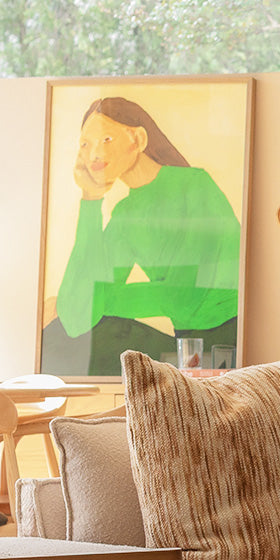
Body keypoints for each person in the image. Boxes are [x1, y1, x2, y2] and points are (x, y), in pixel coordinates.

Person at [41, 96, 241, 376]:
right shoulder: (126, 213)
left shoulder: (195, 186)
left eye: (106, 140)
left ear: (138, 140)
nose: (94, 154)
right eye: (85, 144)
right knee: (59, 336)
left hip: (222, 350)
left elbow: (183, 299)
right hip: (183, 350)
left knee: (77, 329)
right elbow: (76, 318)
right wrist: (90, 200)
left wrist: (98, 298)